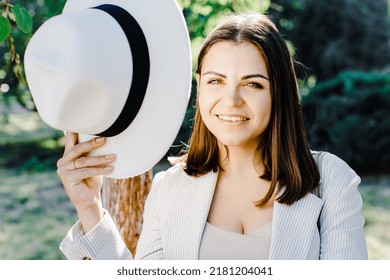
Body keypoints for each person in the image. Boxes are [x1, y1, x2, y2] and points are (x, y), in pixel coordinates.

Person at [57, 12, 368, 260]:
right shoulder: (169, 189)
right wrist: (90, 208)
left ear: (280, 92)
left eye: (253, 84)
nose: (230, 100)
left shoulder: (329, 181)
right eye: (216, 81)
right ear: (199, 87)